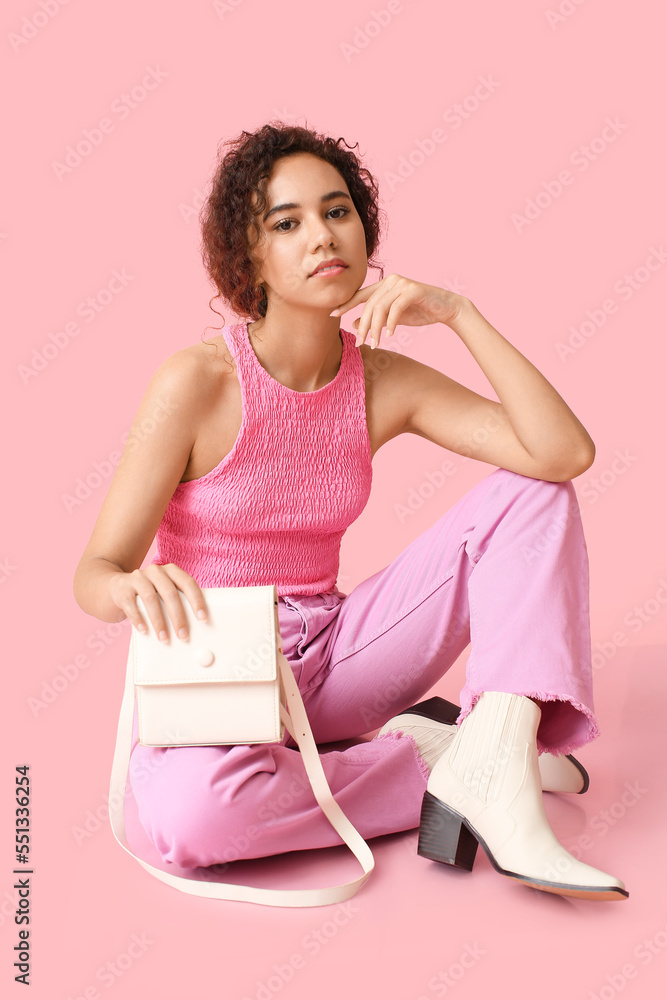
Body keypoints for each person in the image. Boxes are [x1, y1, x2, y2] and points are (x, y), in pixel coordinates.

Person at [73, 121, 628, 902]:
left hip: (336, 658)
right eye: (286, 222)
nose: (321, 237)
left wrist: (459, 313)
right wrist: (125, 589)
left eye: (337, 212)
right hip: (220, 667)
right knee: (191, 825)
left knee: (531, 495)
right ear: (250, 255)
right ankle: (449, 757)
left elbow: (560, 454)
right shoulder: (195, 382)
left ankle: (490, 760)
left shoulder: (381, 381)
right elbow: (94, 572)